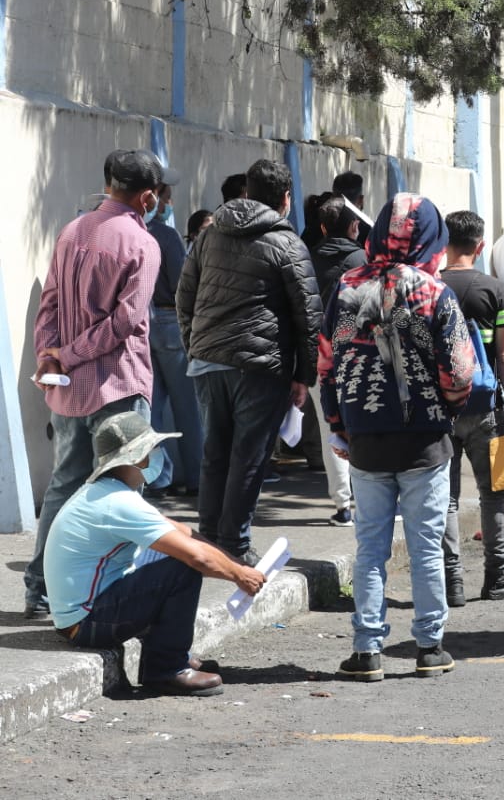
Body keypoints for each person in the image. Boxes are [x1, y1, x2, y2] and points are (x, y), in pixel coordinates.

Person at [319, 192, 476, 682]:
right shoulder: (434, 294)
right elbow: (458, 372)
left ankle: (367, 650)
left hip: (365, 440)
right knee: (426, 544)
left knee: (370, 546)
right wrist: (447, 409)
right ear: (431, 238)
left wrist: (340, 426)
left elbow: (328, 365)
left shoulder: (346, 288)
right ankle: (429, 648)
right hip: (424, 442)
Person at [24, 149, 167, 620]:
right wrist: (65, 353)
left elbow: (48, 305)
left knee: (66, 484)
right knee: (124, 488)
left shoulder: (71, 231)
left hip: (67, 386)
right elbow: (124, 324)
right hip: (117, 384)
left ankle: (41, 587)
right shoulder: (143, 244)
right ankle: (113, 586)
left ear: (109, 183)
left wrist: (51, 353)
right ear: (147, 197)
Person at [45, 411, 266, 696]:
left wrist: (236, 564)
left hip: (82, 615)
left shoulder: (111, 493)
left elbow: (182, 532)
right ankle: (166, 669)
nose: (158, 455)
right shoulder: (118, 502)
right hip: (85, 623)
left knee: (167, 556)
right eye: (153, 449)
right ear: (138, 457)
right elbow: (196, 558)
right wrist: (239, 576)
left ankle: (167, 652)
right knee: (181, 568)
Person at [176, 159, 322, 564]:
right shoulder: (287, 242)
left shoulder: (208, 236)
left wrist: (195, 345)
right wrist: (303, 377)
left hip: (208, 362)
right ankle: (235, 546)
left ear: (247, 191)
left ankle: (209, 539)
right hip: (259, 367)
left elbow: (183, 297)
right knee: (248, 457)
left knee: (215, 453)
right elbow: (309, 316)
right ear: (286, 199)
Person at [439, 209, 504, 606]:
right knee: (493, 493)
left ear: (444, 243)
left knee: (443, 498)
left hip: (439, 411)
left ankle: (451, 582)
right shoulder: (495, 290)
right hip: (485, 406)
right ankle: (496, 576)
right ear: (480, 247)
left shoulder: (430, 287)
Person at [146, 175, 205, 499]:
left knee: (152, 408)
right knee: (188, 409)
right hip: (170, 321)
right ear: (155, 197)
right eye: (166, 198)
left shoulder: (133, 232)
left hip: (143, 323)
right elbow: (184, 287)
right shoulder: (166, 236)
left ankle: (157, 479)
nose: (169, 204)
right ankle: (196, 477)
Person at [308, 192, 366, 526]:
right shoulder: (362, 260)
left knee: (331, 427)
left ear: (323, 227)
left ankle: (342, 505)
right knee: (362, 426)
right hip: (358, 355)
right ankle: (370, 499)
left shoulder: (306, 258)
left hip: (319, 355)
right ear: (354, 226)